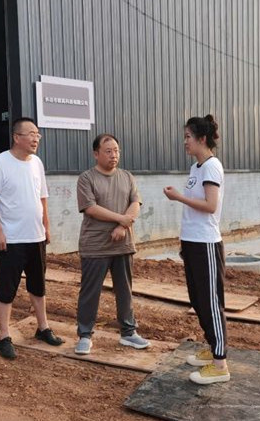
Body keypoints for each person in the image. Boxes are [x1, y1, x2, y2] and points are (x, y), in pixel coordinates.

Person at [0, 117, 64, 360]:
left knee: (38, 285)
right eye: (31, 134)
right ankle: (4, 336)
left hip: (35, 236)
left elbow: (43, 198)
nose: (36, 138)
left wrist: (46, 226)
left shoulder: (37, 163)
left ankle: (43, 327)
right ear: (17, 137)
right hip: (11, 238)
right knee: (7, 287)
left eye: (37, 134)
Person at [163, 115, 229, 385]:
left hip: (206, 243)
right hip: (191, 242)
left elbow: (210, 206)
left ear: (202, 139)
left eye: (188, 137)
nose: (185, 142)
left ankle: (220, 363)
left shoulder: (212, 166)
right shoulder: (196, 167)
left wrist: (178, 197)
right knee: (198, 299)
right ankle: (212, 348)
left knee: (211, 303)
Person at [74, 133, 150, 355]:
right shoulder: (86, 178)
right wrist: (121, 219)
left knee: (125, 290)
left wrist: (123, 227)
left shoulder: (127, 176)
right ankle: (85, 335)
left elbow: (135, 203)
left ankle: (128, 332)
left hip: (123, 245)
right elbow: (90, 208)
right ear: (96, 154)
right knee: (90, 292)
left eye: (116, 150)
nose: (113, 155)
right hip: (95, 246)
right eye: (108, 151)